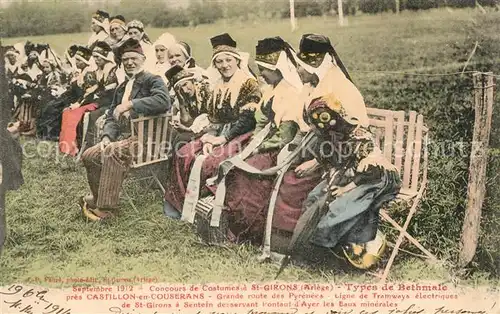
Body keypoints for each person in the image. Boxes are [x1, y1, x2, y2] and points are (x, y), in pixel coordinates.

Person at [202, 36, 306, 242]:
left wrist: (258, 147)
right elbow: (260, 122)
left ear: (277, 68)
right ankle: (232, 224)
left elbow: (285, 136)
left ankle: (249, 229)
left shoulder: (291, 93)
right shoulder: (271, 90)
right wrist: (253, 143)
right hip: (262, 144)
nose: (261, 74)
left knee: (242, 173)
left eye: (264, 69)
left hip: (279, 149)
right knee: (232, 166)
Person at [163, 33, 261, 219]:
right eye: (219, 61)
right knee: (184, 152)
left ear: (237, 60)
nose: (224, 65)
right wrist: (209, 137)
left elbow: (247, 119)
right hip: (219, 132)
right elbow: (214, 118)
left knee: (210, 162)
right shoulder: (217, 86)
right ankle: (183, 206)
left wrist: (221, 139)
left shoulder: (248, 83)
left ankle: (208, 210)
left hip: (242, 134)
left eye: (228, 60)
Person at [79, 38, 170, 221]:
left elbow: (163, 101)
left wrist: (130, 104)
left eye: (134, 58)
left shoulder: (153, 80)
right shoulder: (121, 87)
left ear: (143, 59)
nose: (129, 62)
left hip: (147, 141)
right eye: (125, 59)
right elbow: (113, 115)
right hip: (125, 138)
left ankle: (106, 209)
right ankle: (99, 197)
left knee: (112, 152)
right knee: (89, 154)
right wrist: (106, 136)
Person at [59, 41, 118, 156]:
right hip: (97, 101)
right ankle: (71, 148)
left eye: (98, 57)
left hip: (108, 103)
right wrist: (80, 102)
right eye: (94, 57)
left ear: (104, 57)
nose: (95, 60)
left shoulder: (111, 70)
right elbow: (91, 91)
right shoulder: (96, 71)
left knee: (83, 114)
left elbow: (109, 93)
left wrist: (84, 102)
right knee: (70, 112)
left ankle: (86, 149)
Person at [37, 45, 94, 141]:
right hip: (70, 96)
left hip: (77, 99)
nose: (76, 62)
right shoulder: (80, 72)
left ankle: (54, 134)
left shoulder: (88, 74)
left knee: (56, 108)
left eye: (79, 61)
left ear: (85, 62)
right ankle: (47, 133)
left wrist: (76, 102)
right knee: (51, 105)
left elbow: (87, 93)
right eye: (76, 60)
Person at [164, 65, 211, 153]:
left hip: (211, 129)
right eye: (180, 89)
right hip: (196, 129)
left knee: (180, 139)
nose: (185, 90)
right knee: (174, 135)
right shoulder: (183, 97)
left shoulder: (205, 91)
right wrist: (182, 103)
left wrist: (187, 130)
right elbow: (186, 121)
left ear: (192, 80)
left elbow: (212, 121)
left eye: (185, 84)